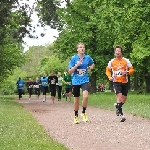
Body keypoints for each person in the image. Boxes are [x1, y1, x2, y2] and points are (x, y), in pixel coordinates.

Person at [106, 45, 134, 122]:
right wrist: (109, 77)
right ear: (115, 52)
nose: (118, 52)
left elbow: (132, 69)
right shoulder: (111, 61)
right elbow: (107, 70)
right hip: (116, 82)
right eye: (116, 51)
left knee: (124, 99)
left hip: (125, 81)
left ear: (121, 52)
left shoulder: (126, 61)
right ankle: (121, 115)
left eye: (119, 51)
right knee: (119, 97)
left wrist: (127, 72)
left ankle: (117, 106)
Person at [68, 43, 95, 124]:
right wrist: (76, 65)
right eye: (80, 47)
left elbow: (92, 63)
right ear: (77, 49)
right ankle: (76, 116)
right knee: (76, 99)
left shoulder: (88, 57)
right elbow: (69, 72)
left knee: (85, 96)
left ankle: (83, 112)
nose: (82, 48)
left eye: (83, 47)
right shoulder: (73, 58)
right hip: (76, 81)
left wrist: (91, 67)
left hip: (85, 80)